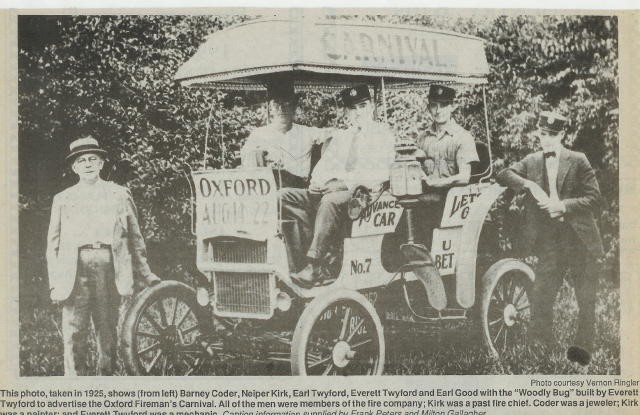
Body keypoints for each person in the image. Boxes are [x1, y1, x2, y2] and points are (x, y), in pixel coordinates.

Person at [496, 110, 604, 366]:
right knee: (542, 291)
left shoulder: (578, 160)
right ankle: (539, 344)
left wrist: (563, 206)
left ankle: (582, 349)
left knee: (585, 297)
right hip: (550, 240)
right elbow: (503, 174)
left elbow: (595, 198)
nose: (546, 140)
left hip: (579, 238)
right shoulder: (531, 161)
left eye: (552, 135)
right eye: (543, 134)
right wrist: (529, 186)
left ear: (562, 135)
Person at [46, 136, 160, 376]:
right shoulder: (63, 199)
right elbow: (53, 246)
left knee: (107, 329)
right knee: (74, 331)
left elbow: (135, 238)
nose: (87, 164)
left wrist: (146, 274)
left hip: (109, 265)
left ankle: (105, 380)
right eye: (82, 160)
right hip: (74, 269)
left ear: (101, 164)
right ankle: (74, 384)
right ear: (74, 167)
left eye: (92, 159)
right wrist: (55, 283)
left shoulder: (119, 194)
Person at [281, 84, 395, 287]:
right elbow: (322, 168)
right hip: (329, 191)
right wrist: (317, 184)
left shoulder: (382, 134)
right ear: (346, 112)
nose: (358, 113)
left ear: (372, 107)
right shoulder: (342, 137)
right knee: (283, 196)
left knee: (330, 201)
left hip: (363, 195)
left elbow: (379, 174)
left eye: (362, 106)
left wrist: (343, 184)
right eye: (352, 108)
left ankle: (315, 266)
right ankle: (296, 259)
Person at [240, 79, 333, 188]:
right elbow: (247, 162)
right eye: (276, 104)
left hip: (297, 183)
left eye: (286, 104)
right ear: (271, 108)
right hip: (268, 183)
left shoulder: (306, 132)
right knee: (255, 153)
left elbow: (334, 135)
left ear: (294, 108)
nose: (281, 109)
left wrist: (324, 155)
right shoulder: (259, 134)